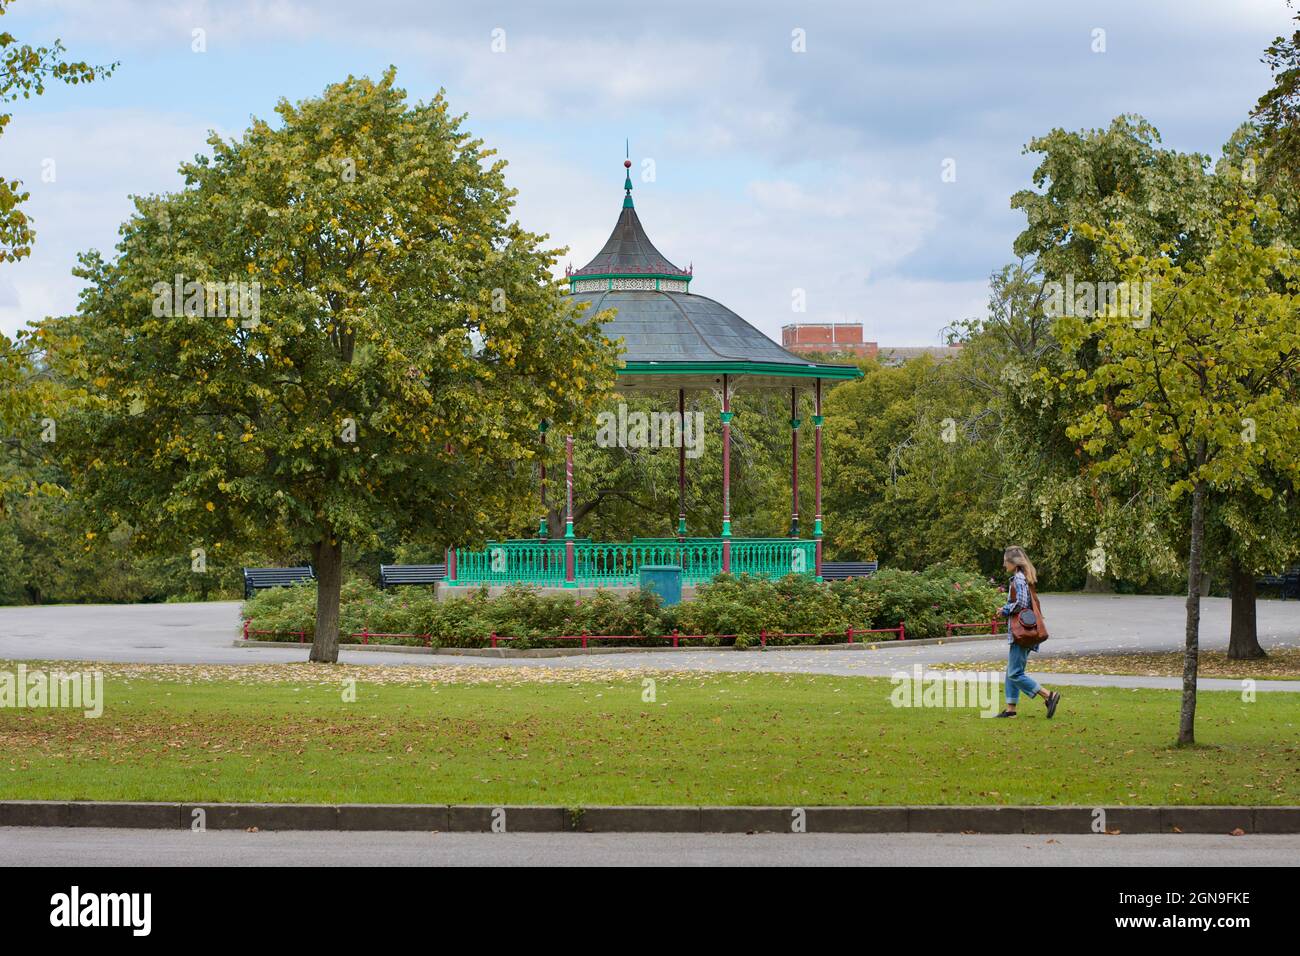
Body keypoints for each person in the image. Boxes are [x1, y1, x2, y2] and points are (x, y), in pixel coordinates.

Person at [994, 546, 1060, 719]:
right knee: (1012, 671)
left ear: (1013, 562)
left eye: (1005, 561)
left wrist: (1005, 610)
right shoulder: (1023, 578)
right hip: (1026, 632)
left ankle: (1048, 695)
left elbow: (1021, 603)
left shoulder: (1018, 579)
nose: (1003, 565)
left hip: (1022, 634)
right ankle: (1010, 710)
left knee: (1015, 673)